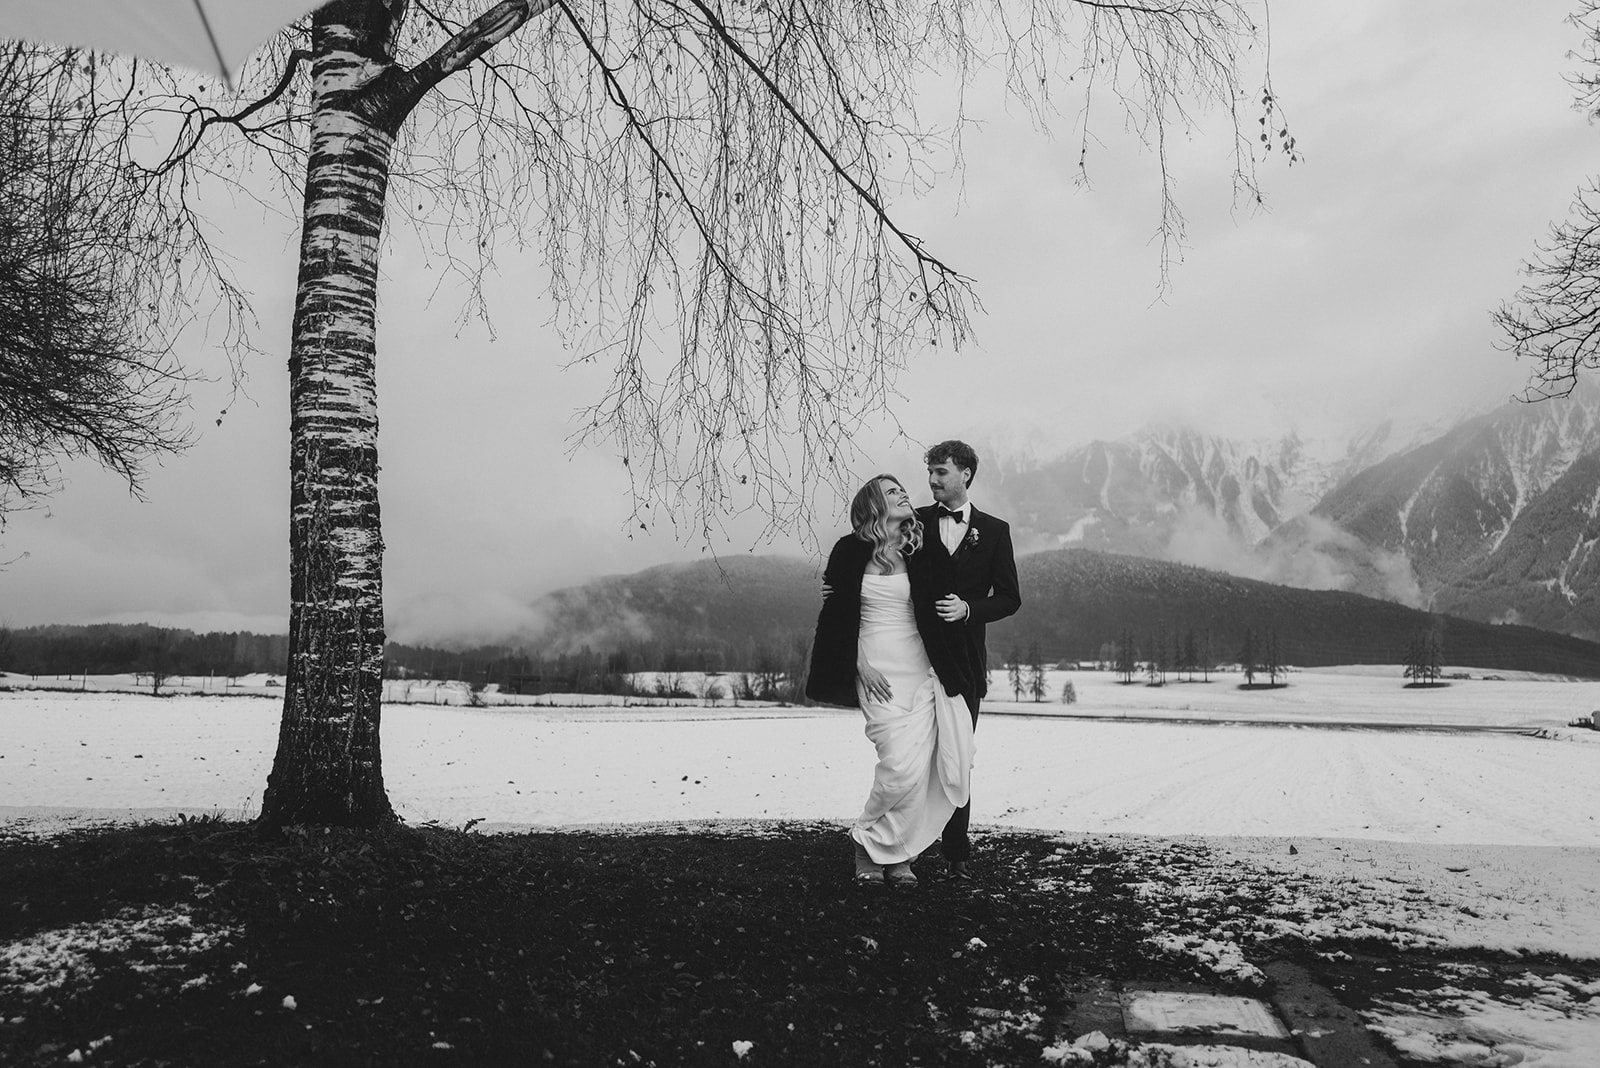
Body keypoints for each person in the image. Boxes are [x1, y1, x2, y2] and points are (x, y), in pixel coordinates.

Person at [805, 474, 978, 887]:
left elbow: (943, 599)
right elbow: (838, 615)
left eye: (902, 489)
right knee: (898, 764)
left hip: (920, 667)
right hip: (875, 667)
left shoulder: (922, 549)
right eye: (892, 491)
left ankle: (899, 854)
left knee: (921, 769)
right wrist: (858, 664)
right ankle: (866, 842)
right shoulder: (849, 551)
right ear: (872, 506)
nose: (903, 494)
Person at [917, 440, 1021, 880]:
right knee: (914, 756)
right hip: (917, 659)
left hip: (966, 664)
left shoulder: (995, 531)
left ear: (966, 475)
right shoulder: (916, 522)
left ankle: (956, 850)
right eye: (930, 472)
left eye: (941, 472)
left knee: (958, 757)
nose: (932, 481)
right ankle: (907, 843)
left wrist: (970, 610)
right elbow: (877, 562)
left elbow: (1011, 598)